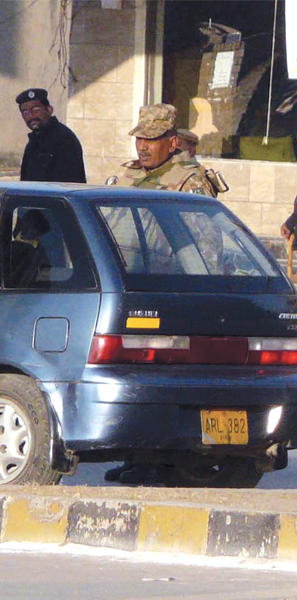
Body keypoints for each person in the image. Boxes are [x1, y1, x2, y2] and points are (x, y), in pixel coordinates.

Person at [107, 104, 224, 485]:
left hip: (167, 293)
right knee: (132, 376)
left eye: (152, 140)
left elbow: (204, 251)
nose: (143, 147)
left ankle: (166, 459)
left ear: (172, 143)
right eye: (140, 138)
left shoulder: (188, 181)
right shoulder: (126, 175)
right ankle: (137, 455)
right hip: (125, 289)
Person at [16, 88, 86, 184]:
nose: (31, 116)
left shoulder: (63, 139)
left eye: (36, 109)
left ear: (49, 110)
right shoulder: (34, 141)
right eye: (25, 112)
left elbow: (67, 183)